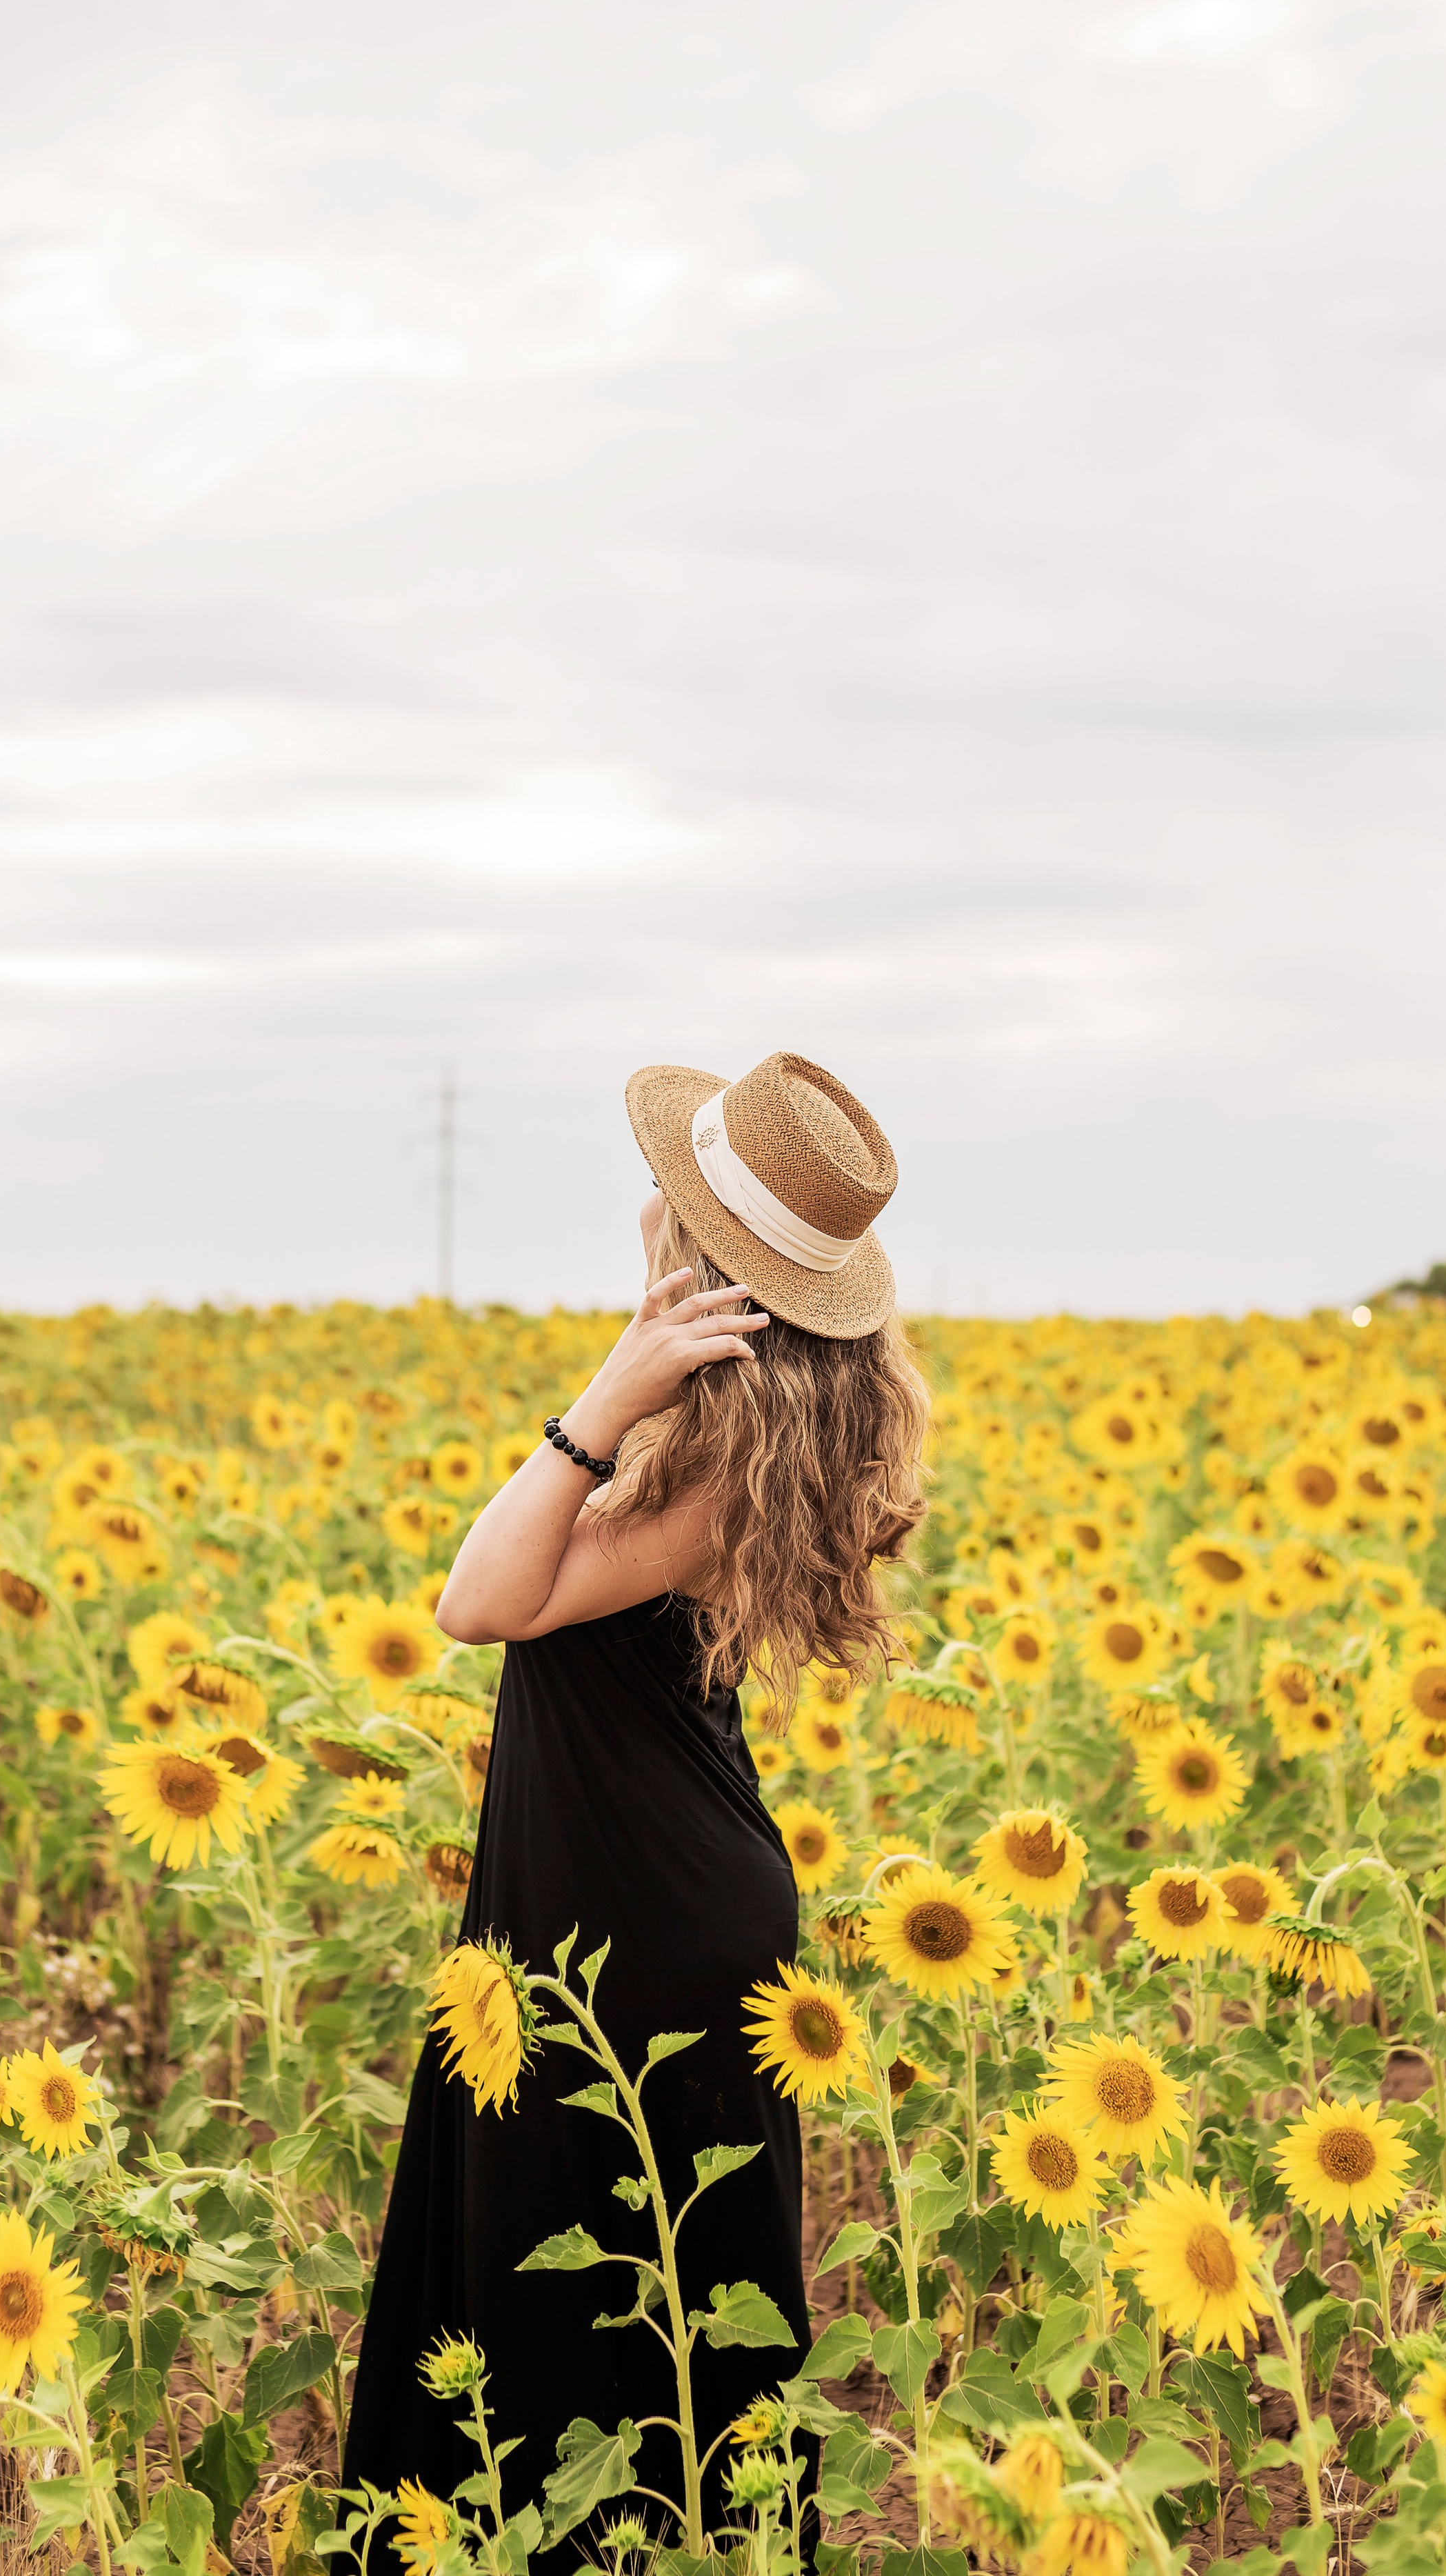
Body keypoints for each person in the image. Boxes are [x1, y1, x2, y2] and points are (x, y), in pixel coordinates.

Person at [341, 1052, 929, 2564]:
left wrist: (605, 1386)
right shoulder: (746, 1431)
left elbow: (481, 1601)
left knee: (574, 2291)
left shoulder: (705, 1461)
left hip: (626, 1921)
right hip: (671, 1888)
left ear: (696, 1248)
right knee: (659, 2292)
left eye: (667, 1189)